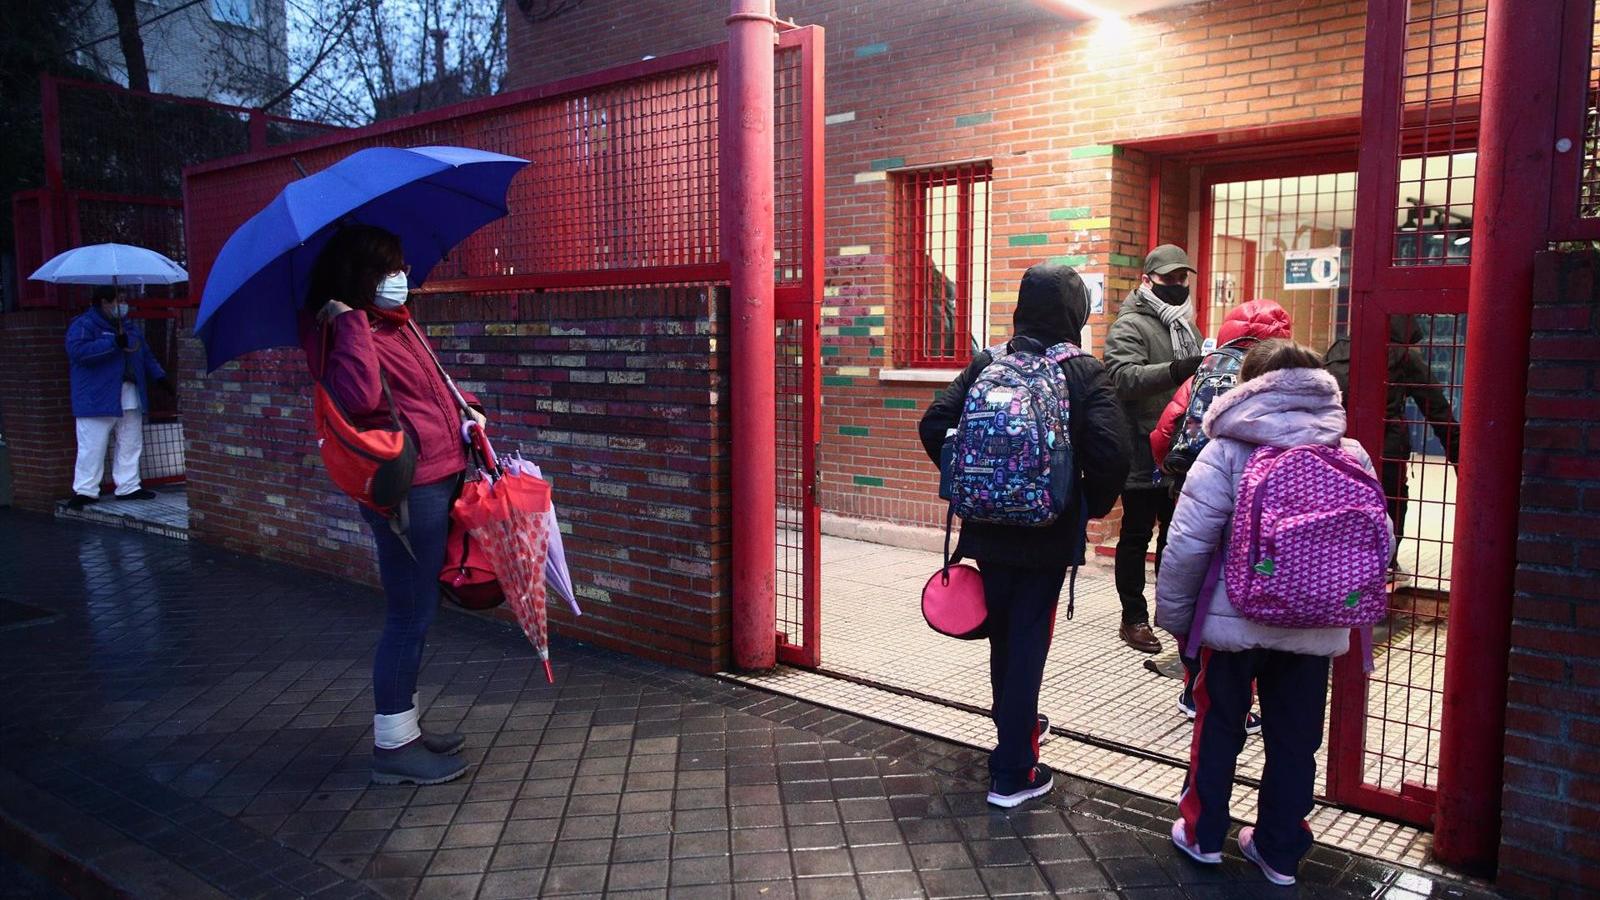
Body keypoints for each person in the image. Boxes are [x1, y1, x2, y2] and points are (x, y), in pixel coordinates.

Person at [1155, 340, 1390, 886]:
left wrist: (1177, 618)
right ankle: (1279, 851)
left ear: (1250, 387)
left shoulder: (1227, 450)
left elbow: (1188, 543)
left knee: (1218, 728)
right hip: (1316, 628)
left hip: (1232, 623)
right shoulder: (1349, 453)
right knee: (1295, 740)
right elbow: (1378, 541)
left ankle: (1202, 835)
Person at [920, 262, 1130, 808]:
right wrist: (1083, 505)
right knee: (1028, 641)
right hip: (1046, 532)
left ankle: (1015, 725)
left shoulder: (990, 362)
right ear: (1075, 314)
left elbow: (932, 423)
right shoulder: (1083, 372)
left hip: (986, 531)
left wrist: (969, 481)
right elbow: (1112, 453)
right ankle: (1013, 769)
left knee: (1005, 638)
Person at [300, 225, 487, 786]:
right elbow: (362, 400)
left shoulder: (399, 327)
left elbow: (426, 393)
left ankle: (404, 728)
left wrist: (466, 410)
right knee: (409, 616)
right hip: (411, 492)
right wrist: (351, 321)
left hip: (439, 478)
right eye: (387, 270)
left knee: (419, 612)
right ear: (360, 279)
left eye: (401, 266)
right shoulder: (348, 334)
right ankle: (393, 748)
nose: (400, 279)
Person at [1150, 298, 1290, 728]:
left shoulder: (1203, 372)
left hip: (1192, 495)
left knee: (1194, 590)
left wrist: (1180, 480)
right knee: (1241, 598)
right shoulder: (1277, 380)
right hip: (1254, 508)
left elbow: (1163, 433)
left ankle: (1194, 685)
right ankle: (1238, 699)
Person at [1103, 244, 1204, 653]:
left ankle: (1170, 612)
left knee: (1174, 538)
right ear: (1147, 280)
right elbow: (1122, 378)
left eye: (1183, 278)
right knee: (1136, 535)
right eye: (1169, 279)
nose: (1178, 285)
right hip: (1143, 448)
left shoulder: (1186, 325)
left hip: (1179, 450)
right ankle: (1133, 617)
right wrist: (1177, 370)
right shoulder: (1130, 324)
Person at [1323, 316, 1458, 578]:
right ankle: (1386, 565)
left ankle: (1340, 563)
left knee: (1341, 502)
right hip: (1387, 446)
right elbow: (1438, 409)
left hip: (1338, 443)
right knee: (1391, 502)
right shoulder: (1404, 357)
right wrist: (1459, 459)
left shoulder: (1337, 349)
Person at [65, 286, 168, 509]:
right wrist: (112, 344)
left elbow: (145, 354)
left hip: (128, 393)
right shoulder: (84, 325)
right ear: (104, 301)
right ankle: (85, 490)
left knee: (131, 441)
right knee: (92, 445)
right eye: (118, 300)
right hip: (97, 396)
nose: (123, 304)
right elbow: (78, 352)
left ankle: (129, 486)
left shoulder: (129, 328)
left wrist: (159, 377)